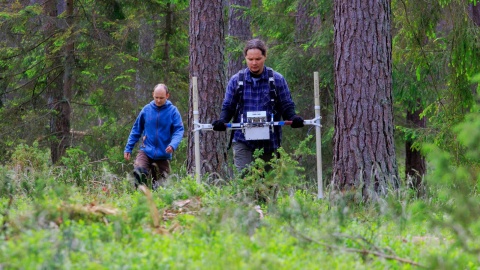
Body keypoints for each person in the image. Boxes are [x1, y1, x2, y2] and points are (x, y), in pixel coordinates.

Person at [211, 38, 304, 173]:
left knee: (267, 187)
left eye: (258, 59)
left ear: (265, 57)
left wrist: (293, 117)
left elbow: (286, 104)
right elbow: (228, 106)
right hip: (243, 140)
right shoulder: (236, 80)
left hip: (270, 142)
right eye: (250, 59)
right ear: (245, 58)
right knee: (244, 180)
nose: (254, 63)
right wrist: (222, 120)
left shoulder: (277, 79)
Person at [124, 84, 184, 189]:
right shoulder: (146, 110)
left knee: (160, 187)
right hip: (146, 150)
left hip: (163, 153)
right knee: (139, 173)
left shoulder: (173, 111)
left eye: (161, 98)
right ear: (153, 95)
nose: (158, 100)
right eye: (156, 97)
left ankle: (156, 203)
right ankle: (139, 198)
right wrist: (128, 148)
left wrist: (173, 145)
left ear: (167, 96)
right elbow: (136, 130)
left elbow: (178, 130)